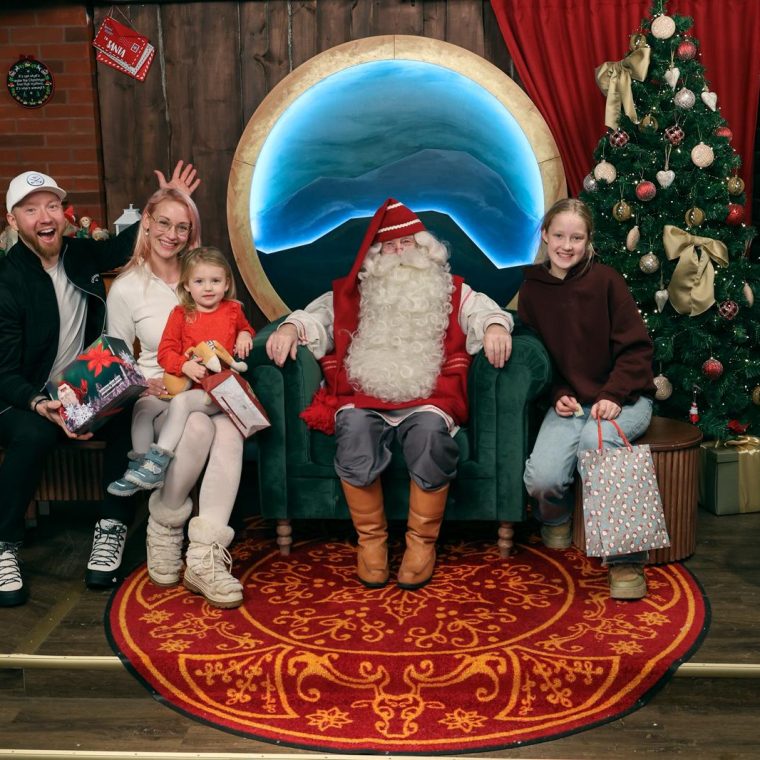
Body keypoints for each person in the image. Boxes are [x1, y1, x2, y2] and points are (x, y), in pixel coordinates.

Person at [266, 198, 513, 590]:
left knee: (430, 437)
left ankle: (421, 544)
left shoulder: (452, 291)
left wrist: (496, 327)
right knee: (354, 432)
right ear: (376, 256)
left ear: (424, 248)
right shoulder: (357, 292)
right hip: (365, 395)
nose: (399, 254)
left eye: (406, 244)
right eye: (390, 247)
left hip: (429, 397)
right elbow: (317, 318)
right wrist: (290, 329)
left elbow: (484, 313)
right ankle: (372, 542)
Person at [0, 165, 191, 607]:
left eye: (51, 206)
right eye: (31, 210)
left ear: (63, 213)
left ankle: (111, 529)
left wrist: (162, 202)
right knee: (34, 434)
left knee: (130, 412)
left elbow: (127, 244)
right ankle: (5, 544)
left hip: (81, 391)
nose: (44, 217)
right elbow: (3, 372)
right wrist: (39, 403)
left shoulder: (79, 254)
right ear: (13, 220)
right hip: (22, 398)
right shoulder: (7, 280)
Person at [107, 193, 247, 609]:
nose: (172, 234)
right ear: (147, 223)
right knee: (201, 426)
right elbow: (115, 359)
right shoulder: (128, 288)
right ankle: (166, 529)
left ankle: (204, 556)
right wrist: (143, 385)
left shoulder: (206, 277)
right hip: (158, 394)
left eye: (182, 226)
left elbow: (237, 328)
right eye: (164, 223)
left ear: (191, 233)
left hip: (208, 391)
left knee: (229, 428)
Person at [518, 198, 656, 600]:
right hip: (572, 404)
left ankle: (626, 559)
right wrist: (558, 393)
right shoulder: (532, 289)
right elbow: (539, 357)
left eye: (576, 238)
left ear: (588, 240)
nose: (567, 245)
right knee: (541, 479)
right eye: (559, 235)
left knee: (598, 442)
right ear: (545, 236)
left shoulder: (606, 281)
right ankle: (558, 518)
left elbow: (637, 350)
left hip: (625, 398)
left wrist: (613, 394)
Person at [108, 245, 254, 493]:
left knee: (181, 403)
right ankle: (141, 468)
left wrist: (245, 334)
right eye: (199, 281)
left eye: (215, 281)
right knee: (143, 408)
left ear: (227, 283)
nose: (208, 288)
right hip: (184, 383)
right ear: (186, 285)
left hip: (217, 390)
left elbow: (246, 328)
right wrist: (183, 365)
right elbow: (165, 352)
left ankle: (156, 464)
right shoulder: (180, 314)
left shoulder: (233, 310)